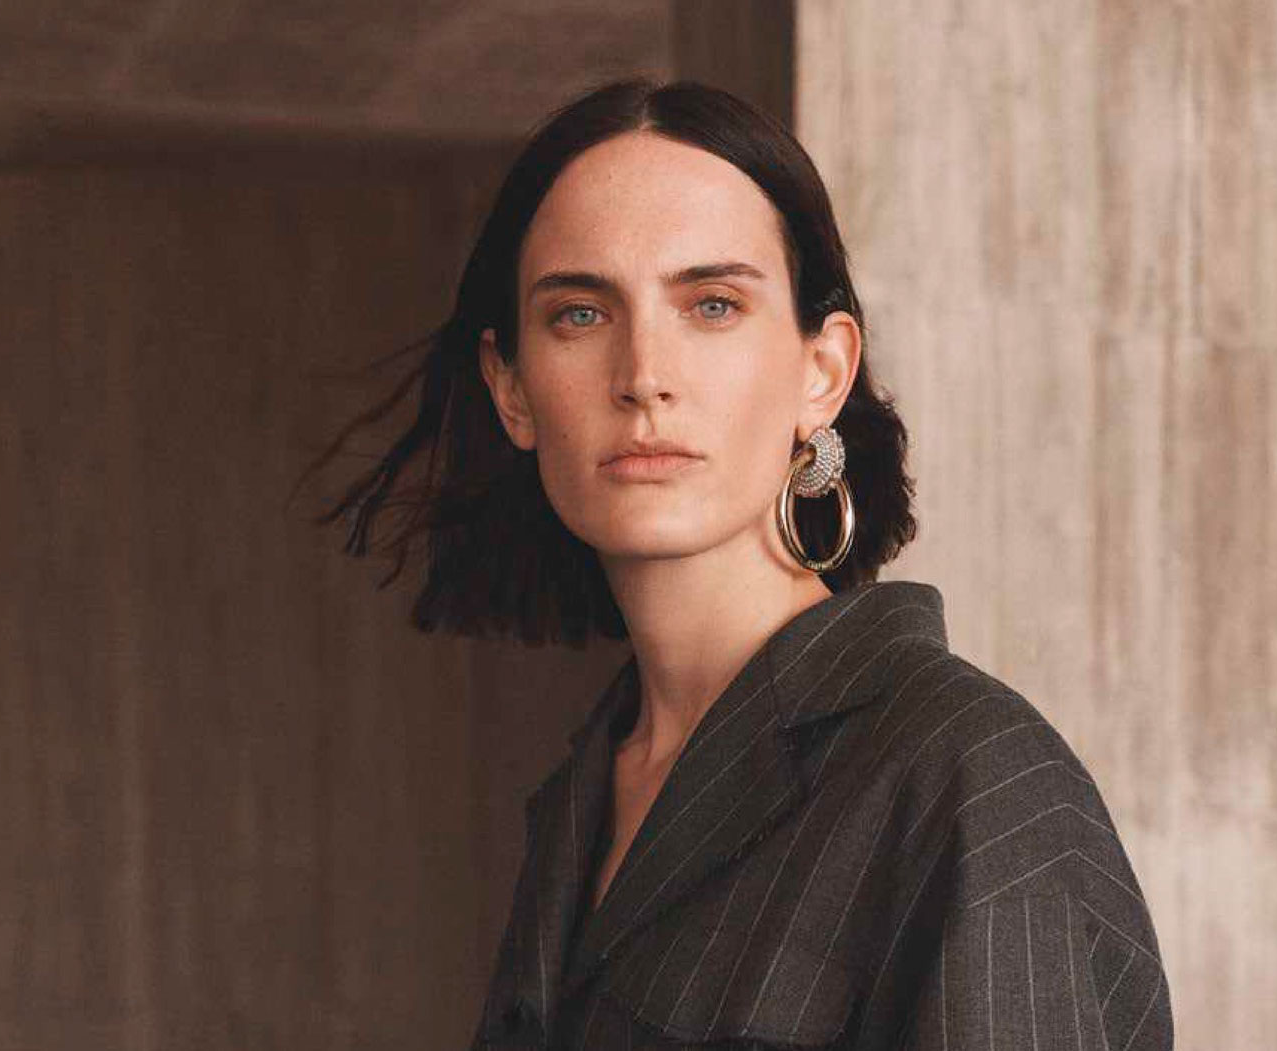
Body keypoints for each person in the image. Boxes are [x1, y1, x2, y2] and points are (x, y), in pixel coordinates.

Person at [309, 76, 1172, 1050]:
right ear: (511, 388)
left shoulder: (967, 778)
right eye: (580, 314)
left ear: (822, 371)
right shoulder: (589, 791)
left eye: (712, 304)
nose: (643, 376)